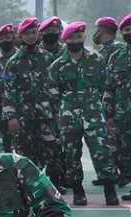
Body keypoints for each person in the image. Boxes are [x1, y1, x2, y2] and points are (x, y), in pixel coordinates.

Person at [49, 21, 119, 206]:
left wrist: (105, 111)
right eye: (72, 38)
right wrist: (58, 116)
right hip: (68, 116)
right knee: (71, 154)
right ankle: (78, 190)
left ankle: (109, 189)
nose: (76, 41)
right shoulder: (57, 65)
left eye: (79, 37)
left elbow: (107, 86)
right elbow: (53, 93)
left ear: (83, 38)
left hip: (93, 113)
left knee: (102, 150)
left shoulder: (96, 60)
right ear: (65, 41)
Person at [3, 18, 64, 191]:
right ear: (20, 36)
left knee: (52, 150)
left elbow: (55, 86)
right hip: (23, 117)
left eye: (33, 33)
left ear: (38, 34)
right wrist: (11, 117)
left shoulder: (48, 58)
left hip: (46, 115)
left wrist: (57, 112)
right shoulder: (13, 62)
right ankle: (29, 186)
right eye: (26, 33)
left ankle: (55, 184)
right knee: (25, 154)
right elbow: (8, 92)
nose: (30, 36)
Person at [104, 13, 131, 201]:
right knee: (126, 151)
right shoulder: (116, 57)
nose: (129, 33)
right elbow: (109, 87)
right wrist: (109, 114)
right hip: (123, 114)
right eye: (127, 30)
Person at [0, 23, 17, 153]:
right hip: (0, 109)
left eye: (8, 37)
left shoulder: (21, 57)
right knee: (4, 146)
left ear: (13, 37)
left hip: (21, 109)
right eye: (2, 38)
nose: (5, 41)